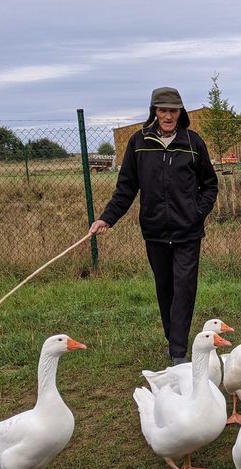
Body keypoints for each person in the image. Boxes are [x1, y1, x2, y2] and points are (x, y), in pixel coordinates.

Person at [90, 87, 219, 363]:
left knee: (184, 287)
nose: (168, 115)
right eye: (163, 110)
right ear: (155, 112)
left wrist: (197, 213)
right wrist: (106, 218)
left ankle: (178, 353)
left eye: (173, 110)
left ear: (180, 113)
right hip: (155, 232)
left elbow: (210, 185)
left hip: (188, 232)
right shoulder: (138, 143)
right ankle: (174, 340)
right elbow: (126, 188)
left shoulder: (193, 143)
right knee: (165, 288)